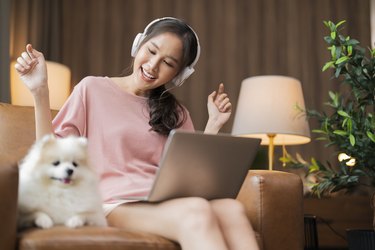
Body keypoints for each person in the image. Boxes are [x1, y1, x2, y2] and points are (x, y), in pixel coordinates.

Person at [15, 17, 259, 250]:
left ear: (180, 75)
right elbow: (49, 154)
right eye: (152, 51)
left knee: (231, 208)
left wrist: (214, 125)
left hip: (162, 203)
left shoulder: (177, 113)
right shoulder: (92, 89)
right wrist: (40, 91)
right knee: (196, 212)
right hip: (112, 202)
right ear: (138, 44)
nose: (153, 66)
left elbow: (193, 177)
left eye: (169, 63)